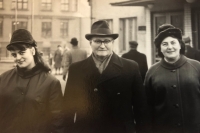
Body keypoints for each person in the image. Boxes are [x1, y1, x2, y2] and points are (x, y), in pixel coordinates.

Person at [63, 20, 147, 133]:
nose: (102, 46)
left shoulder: (130, 67)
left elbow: (140, 108)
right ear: (90, 43)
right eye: (97, 41)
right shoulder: (76, 69)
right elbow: (68, 109)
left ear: (112, 43)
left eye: (107, 41)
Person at [0, 29, 64, 133]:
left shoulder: (51, 82)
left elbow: (58, 122)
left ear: (33, 51)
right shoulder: (3, 79)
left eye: (22, 52)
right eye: (14, 54)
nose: (18, 58)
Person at [144, 24, 200, 133]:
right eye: (165, 44)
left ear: (180, 45)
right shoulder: (152, 72)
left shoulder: (197, 67)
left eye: (173, 42)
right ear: (160, 48)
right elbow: (147, 107)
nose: (170, 47)